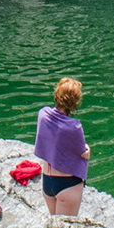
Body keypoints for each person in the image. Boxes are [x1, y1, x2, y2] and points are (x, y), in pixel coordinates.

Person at [34, 77, 90, 216]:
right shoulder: (74, 127)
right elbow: (83, 153)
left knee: (55, 227)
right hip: (67, 184)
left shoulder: (43, 114)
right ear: (74, 103)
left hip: (47, 181)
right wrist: (88, 149)